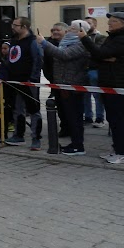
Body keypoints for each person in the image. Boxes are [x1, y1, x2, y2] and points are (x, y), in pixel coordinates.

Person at [79, 12, 124, 164]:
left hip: (117, 84)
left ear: (123, 23)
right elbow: (98, 56)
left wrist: (84, 38)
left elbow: (99, 52)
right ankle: (118, 148)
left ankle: (123, 152)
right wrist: (104, 57)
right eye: (110, 21)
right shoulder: (113, 37)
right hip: (108, 83)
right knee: (113, 119)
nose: (110, 23)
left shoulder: (123, 39)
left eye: (114, 21)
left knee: (118, 119)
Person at [38, 21, 91, 155]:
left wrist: (44, 43)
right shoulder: (66, 42)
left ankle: (78, 146)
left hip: (72, 84)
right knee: (69, 115)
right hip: (62, 83)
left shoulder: (81, 44)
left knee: (75, 117)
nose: (68, 31)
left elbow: (64, 55)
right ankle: (74, 142)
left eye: (72, 29)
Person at [3, 17, 43, 150]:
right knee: (17, 109)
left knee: (33, 110)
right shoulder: (14, 41)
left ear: (24, 27)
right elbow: (10, 60)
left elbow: (37, 61)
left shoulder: (32, 42)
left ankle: (36, 138)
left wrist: (32, 79)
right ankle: (18, 135)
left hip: (29, 82)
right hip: (15, 81)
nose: (12, 27)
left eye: (16, 25)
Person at [82, 17, 106, 128]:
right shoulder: (79, 37)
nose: (86, 25)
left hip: (94, 69)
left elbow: (97, 52)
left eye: (88, 23)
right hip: (82, 69)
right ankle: (87, 117)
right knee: (84, 95)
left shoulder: (101, 38)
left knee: (97, 95)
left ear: (95, 25)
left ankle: (100, 118)